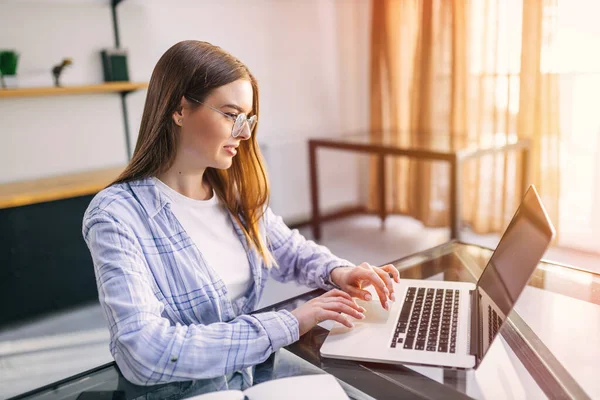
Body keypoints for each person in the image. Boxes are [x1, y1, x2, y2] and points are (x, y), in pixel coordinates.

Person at [82, 40, 399, 387]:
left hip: (245, 377)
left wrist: (339, 271)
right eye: (232, 115)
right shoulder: (116, 215)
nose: (245, 133)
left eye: (247, 119)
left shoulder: (232, 193)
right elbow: (143, 353)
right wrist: (289, 323)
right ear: (179, 109)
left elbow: (288, 250)